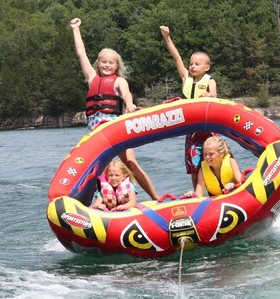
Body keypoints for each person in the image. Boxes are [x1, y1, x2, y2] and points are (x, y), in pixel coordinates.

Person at [71, 17, 158, 200]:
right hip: (96, 133)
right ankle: (96, 204)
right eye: (104, 62)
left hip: (114, 129)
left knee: (131, 164)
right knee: (97, 170)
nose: (107, 65)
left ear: (117, 66)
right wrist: (75, 29)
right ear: (98, 63)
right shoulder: (92, 79)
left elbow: (126, 94)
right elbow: (81, 53)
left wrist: (129, 105)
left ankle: (155, 198)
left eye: (111, 63)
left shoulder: (119, 81)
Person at [160, 25, 217, 186]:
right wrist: (167, 37)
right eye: (191, 63)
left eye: (197, 64)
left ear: (206, 67)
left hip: (208, 128)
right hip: (192, 130)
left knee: (214, 158)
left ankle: (220, 187)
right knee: (194, 163)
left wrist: (209, 96)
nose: (192, 66)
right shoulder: (186, 78)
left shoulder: (210, 81)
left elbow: (214, 97)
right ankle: (198, 193)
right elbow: (177, 57)